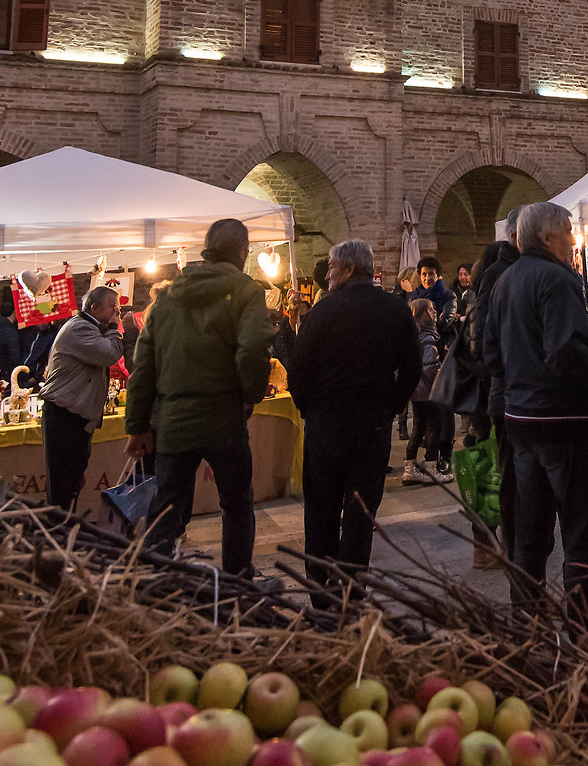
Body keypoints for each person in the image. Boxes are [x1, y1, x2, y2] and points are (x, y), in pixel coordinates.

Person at [482, 199, 588, 649]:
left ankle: (528, 636)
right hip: (563, 420)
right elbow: (565, 351)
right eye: (569, 230)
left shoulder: (505, 281)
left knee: (531, 536)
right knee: (583, 538)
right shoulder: (558, 280)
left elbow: (491, 355)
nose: (574, 239)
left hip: (521, 420)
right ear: (547, 236)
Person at [125, 218, 273, 575]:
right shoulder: (246, 290)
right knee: (236, 504)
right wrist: (249, 396)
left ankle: (155, 581)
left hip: (174, 418)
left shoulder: (169, 296)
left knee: (166, 505)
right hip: (224, 417)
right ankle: (237, 581)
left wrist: (138, 425)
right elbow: (253, 348)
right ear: (242, 251)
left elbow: (143, 365)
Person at [286, 240, 423, 585]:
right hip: (371, 424)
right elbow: (411, 367)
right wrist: (391, 406)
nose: (327, 274)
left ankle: (321, 591)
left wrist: (309, 409)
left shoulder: (321, 313)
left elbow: (298, 372)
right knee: (362, 513)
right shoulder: (394, 309)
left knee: (321, 512)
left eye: (331, 267)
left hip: (326, 424)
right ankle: (351, 588)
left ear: (348, 269)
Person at [39, 284, 124, 513]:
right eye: (113, 307)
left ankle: (64, 529)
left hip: (75, 415)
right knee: (63, 484)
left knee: (73, 480)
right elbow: (110, 354)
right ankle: (58, 533)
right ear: (95, 308)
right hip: (65, 416)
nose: (117, 311)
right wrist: (115, 328)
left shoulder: (89, 327)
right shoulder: (80, 329)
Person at [469, 228, 522, 562]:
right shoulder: (498, 278)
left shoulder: (481, 286)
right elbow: (486, 344)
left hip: (480, 393)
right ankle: (488, 543)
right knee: (495, 467)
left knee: (484, 463)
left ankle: (484, 543)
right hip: (489, 390)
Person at [402, 297, 451, 484]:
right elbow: (430, 367)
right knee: (433, 428)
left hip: (416, 391)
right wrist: (441, 381)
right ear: (421, 314)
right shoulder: (428, 338)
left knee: (418, 427)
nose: (435, 312)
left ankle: (410, 468)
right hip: (429, 391)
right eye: (431, 310)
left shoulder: (413, 336)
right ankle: (431, 467)